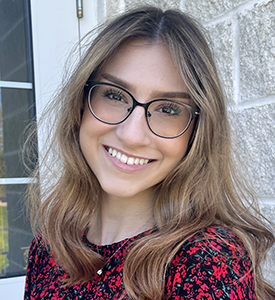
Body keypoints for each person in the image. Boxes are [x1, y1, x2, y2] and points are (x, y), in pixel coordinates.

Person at [24, 6, 275, 300]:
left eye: (168, 109)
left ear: (197, 131)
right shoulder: (52, 244)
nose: (131, 135)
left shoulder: (206, 262)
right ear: (81, 102)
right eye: (115, 95)